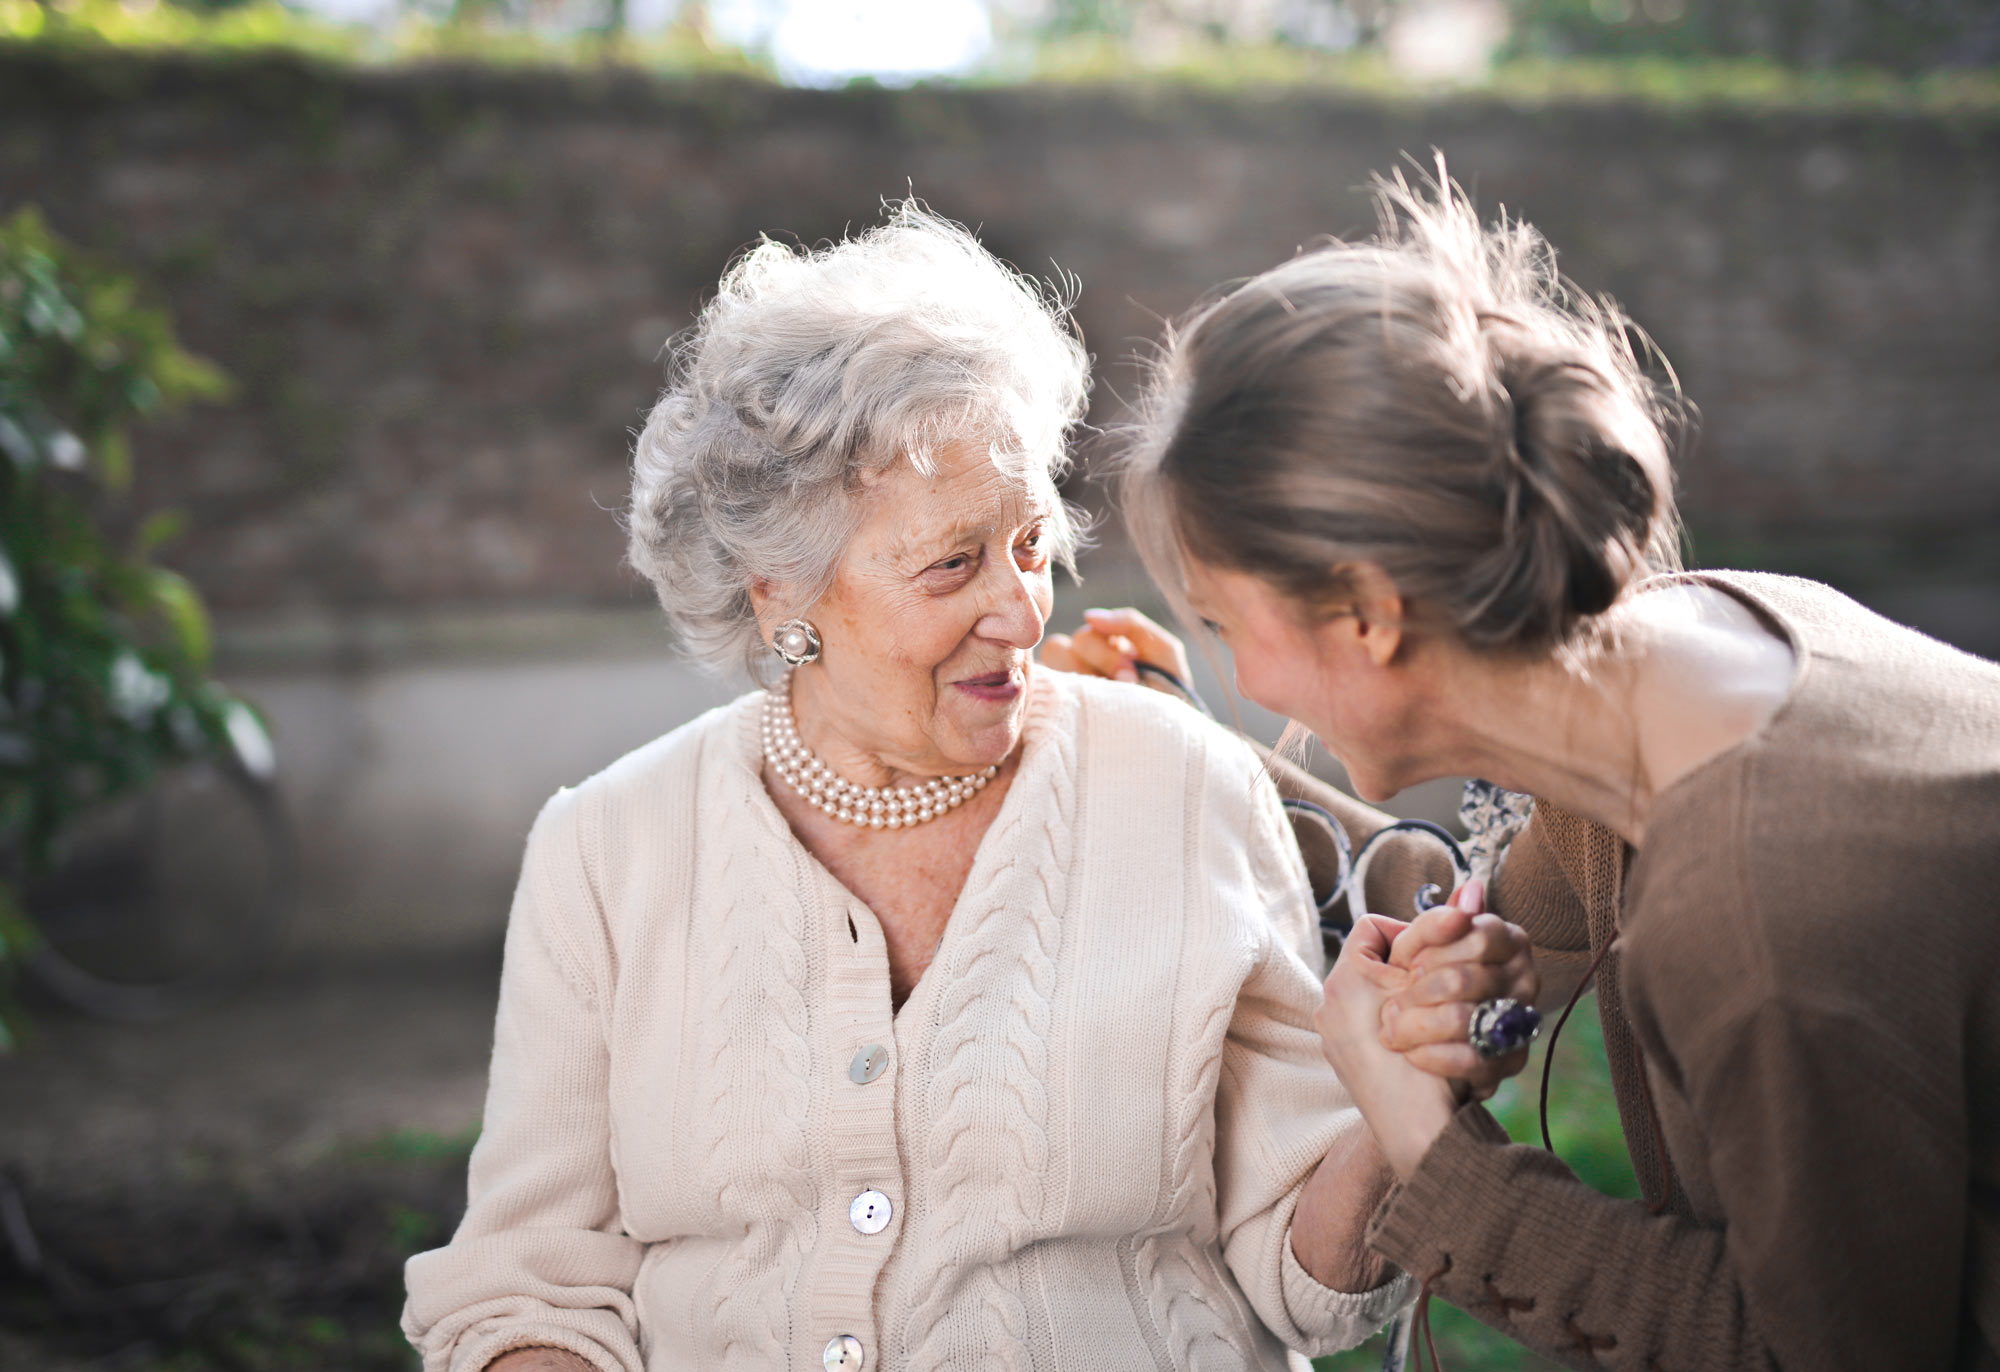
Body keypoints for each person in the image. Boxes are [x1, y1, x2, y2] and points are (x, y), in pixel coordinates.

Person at [399, 205, 1428, 1372]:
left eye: (1031, 544)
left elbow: (1311, 1288)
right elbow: (527, 1286)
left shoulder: (1180, 785)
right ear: (778, 592)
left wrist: (1396, 1106)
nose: (1021, 608)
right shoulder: (605, 847)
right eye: (952, 562)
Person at [1062, 167, 2000, 1369]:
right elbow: (1487, 917)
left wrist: (1435, 1158)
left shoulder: (1758, 911)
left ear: (1365, 616)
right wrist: (1173, 739)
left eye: (1219, 622)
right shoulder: (1691, 653)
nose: (1243, 671)